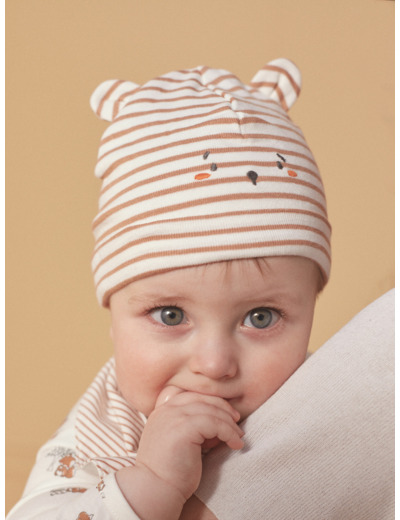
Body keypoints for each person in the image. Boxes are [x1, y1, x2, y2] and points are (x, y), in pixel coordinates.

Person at [7, 58, 334, 519]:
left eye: (260, 317)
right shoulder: (103, 428)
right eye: (171, 315)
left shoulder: (331, 401)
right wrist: (150, 484)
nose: (215, 364)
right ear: (113, 316)